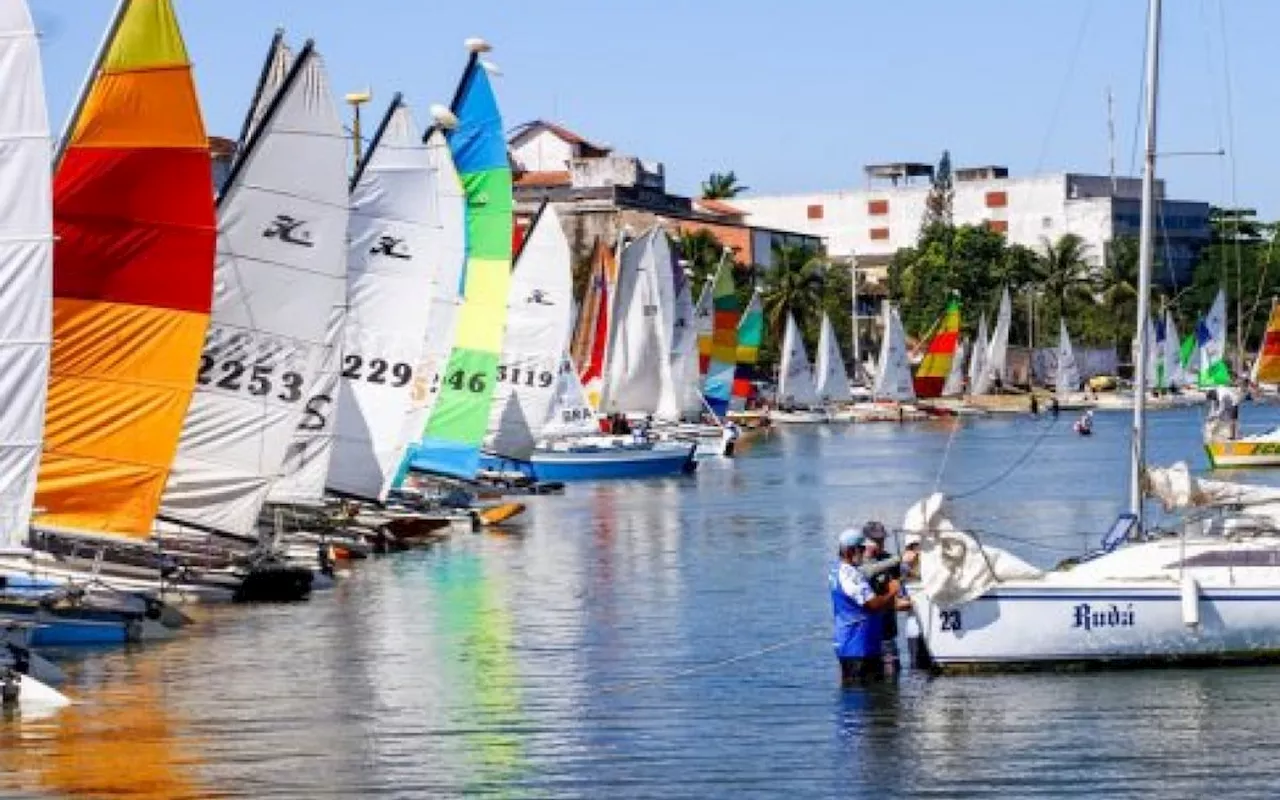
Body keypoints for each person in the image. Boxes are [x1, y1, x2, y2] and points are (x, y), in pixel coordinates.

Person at [829, 529, 900, 686]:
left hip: (859, 644)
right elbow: (872, 605)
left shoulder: (838, 569)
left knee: (866, 698)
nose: (864, 552)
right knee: (859, 699)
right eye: (860, 549)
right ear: (849, 551)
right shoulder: (850, 575)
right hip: (857, 647)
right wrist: (892, 592)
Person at [862, 521, 915, 676]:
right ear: (865, 540)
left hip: (887, 634)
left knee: (892, 680)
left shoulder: (891, 559)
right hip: (867, 636)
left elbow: (903, 582)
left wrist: (910, 563)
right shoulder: (858, 563)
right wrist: (900, 559)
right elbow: (868, 571)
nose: (880, 543)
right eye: (875, 540)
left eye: (882, 540)